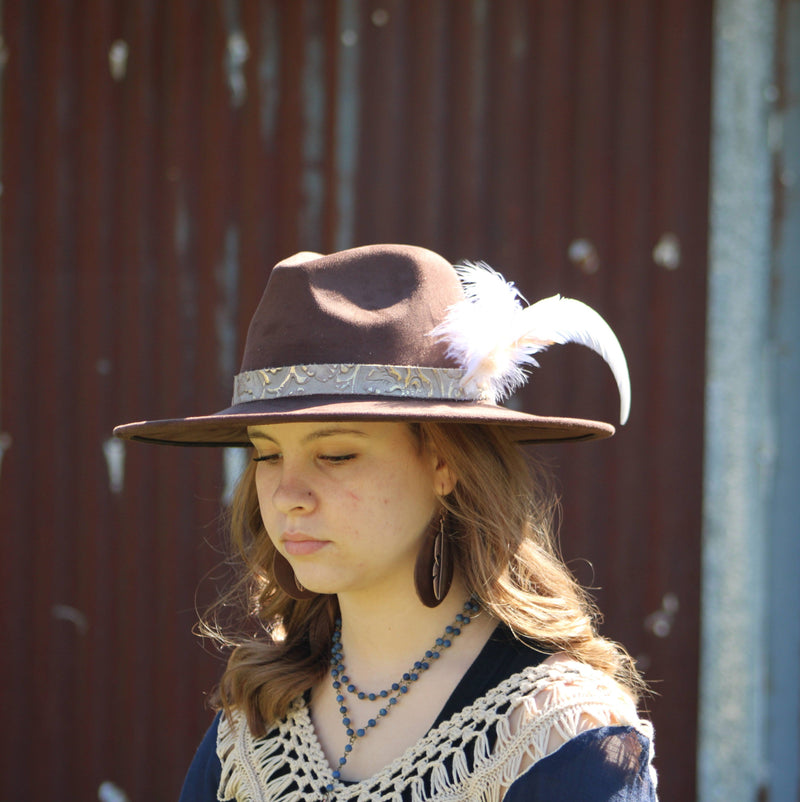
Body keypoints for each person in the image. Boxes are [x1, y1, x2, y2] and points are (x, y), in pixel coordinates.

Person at [114, 244, 657, 801]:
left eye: (337, 454)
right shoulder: (252, 723)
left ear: (444, 464)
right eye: (267, 454)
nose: (288, 495)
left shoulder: (557, 733)